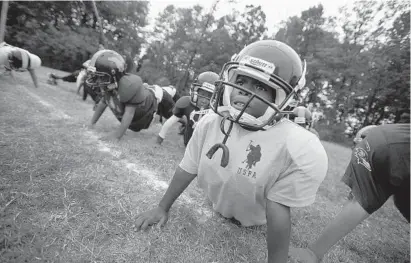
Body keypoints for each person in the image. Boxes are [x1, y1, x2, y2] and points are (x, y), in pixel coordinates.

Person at [134, 40, 329, 263]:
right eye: (241, 81)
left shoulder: (297, 146)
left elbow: (279, 207)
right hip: (215, 203)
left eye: (259, 86)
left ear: (284, 98)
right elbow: (187, 167)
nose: (244, 92)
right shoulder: (210, 122)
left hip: (257, 219)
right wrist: (162, 207)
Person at [289, 123, 410, 263]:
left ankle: (313, 252)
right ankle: (312, 254)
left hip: (378, 138)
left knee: (366, 201)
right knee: (361, 201)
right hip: (392, 147)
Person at [86, 49, 167, 141]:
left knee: (174, 114)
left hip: (157, 96)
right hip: (142, 109)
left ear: (114, 74)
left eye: (100, 77)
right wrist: (92, 123)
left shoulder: (128, 86)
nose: (97, 80)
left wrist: (117, 136)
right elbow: (103, 103)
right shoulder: (110, 85)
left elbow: (129, 113)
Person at [156, 71, 219, 146]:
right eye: (202, 94)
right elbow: (170, 122)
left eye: (209, 96)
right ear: (194, 90)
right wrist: (160, 139)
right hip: (188, 141)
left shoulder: (217, 110)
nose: (204, 100)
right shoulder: (186, 102)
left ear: (215, 96)